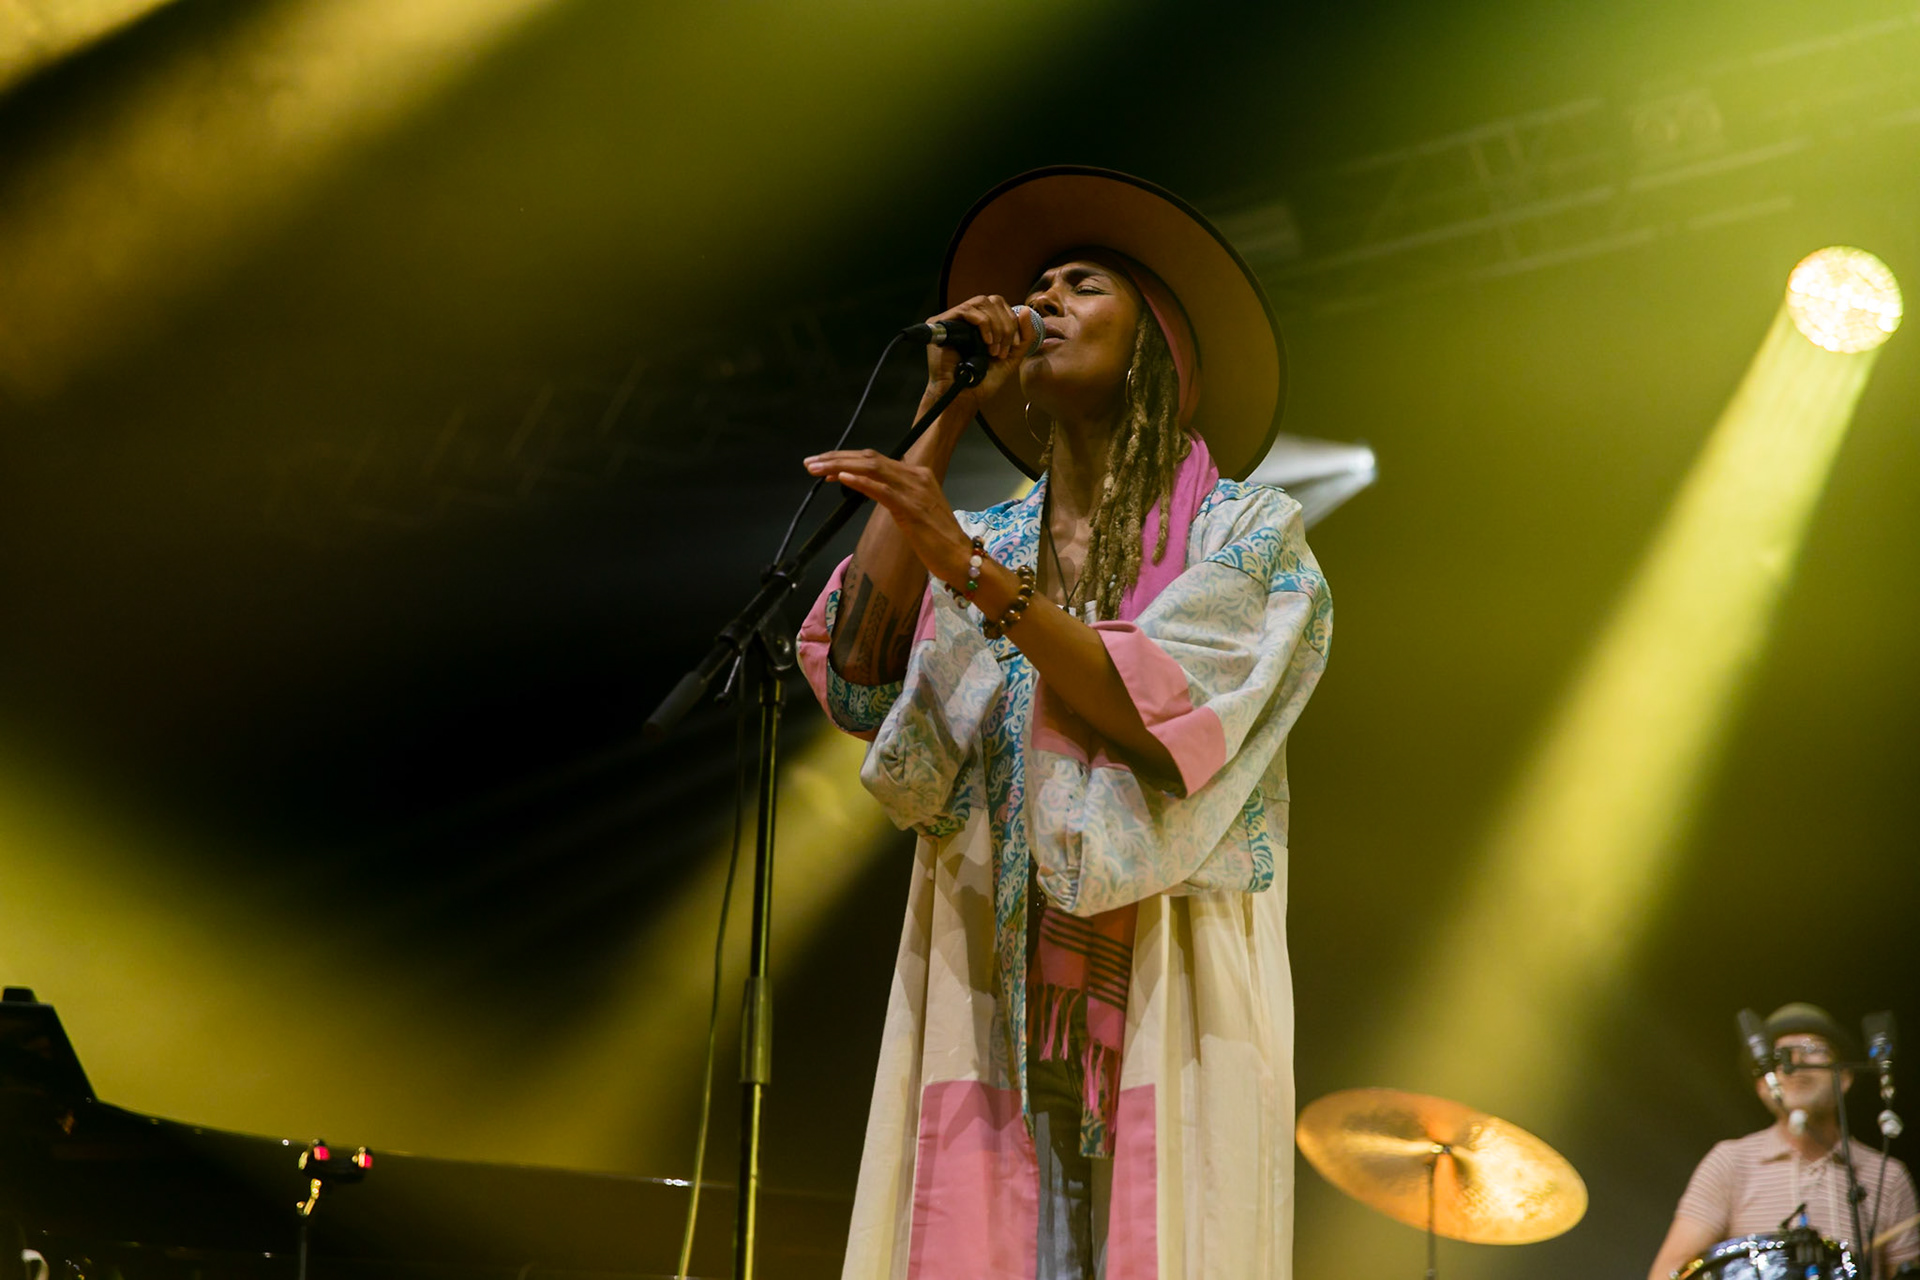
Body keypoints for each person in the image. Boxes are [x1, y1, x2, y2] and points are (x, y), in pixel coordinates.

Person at [794, 167, 1331, 1278]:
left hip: (1174, 967)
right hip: (992, 975)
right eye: (1038, 283)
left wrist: (972, 573)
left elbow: (1160, 713)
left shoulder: (1249, 534)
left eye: (1083, 284)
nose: (1041, 299)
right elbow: (859, 674)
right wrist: (945, 409)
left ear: (1155, 348)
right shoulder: (985, 534)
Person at [1647, 1003, 1920, 1279]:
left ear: (1845, 1077)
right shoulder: (1731, 1162)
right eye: (1781, 1055)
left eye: (1812, 1049)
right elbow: (1667, 1273)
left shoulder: (1889, 1176)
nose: (1796, 1062)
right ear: (1763, 1086)